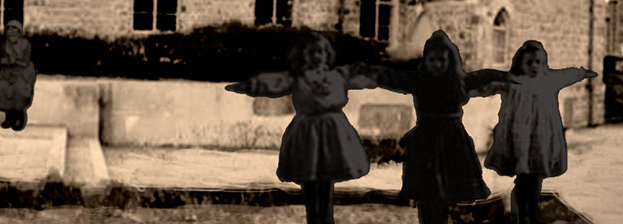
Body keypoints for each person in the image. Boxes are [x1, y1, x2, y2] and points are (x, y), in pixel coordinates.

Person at [356, 30, 515, 224]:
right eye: (432, 60)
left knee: (448, 192)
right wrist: (366, 70)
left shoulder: (459, 82)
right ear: (426, 60)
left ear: (450, 61)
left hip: (452, 141)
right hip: (425, 142)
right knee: (427, 194)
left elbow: (484, 76)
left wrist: (507, 77)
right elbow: (391, 77)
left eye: (442, 60)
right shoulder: (419, 81)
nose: (437, 65)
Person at [223, 31, 376, 224]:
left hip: (333, 133)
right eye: (312, 52)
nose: (317, 56)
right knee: (310, 179)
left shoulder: (338, 75)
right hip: (307, 133)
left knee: (326, 182)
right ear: (303, 55)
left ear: (327, 54)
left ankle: (326, 219)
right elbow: (271, 84)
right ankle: (314, 219)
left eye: (321, 51)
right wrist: (244, 86)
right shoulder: (297, 78)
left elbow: (365, 77)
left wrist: (381, 79)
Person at [480, 41, 596, 224]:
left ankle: (531, 212)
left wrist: (583, 73)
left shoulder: (549, 79)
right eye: (530, 62)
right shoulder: (513, 82)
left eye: (539, 62)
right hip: (519, 137)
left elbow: (568, 74)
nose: (535, 66)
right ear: (521, 63)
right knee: (523, 177)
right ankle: (521, 214)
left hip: (541, 137)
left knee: (535, 176)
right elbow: (487, 84)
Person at [0, 20, 37, 131]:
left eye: (14, 29)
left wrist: (14, 61)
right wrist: (2, 61)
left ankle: (19, 117)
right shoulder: (4, 44)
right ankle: (8, 117)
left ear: (19, 31)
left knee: (19, 90)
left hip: (22, 71)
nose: (11, 32)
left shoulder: (26, 44)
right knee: (1, 88)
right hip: (7, 71)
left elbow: (25, 62)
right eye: (9, 29)